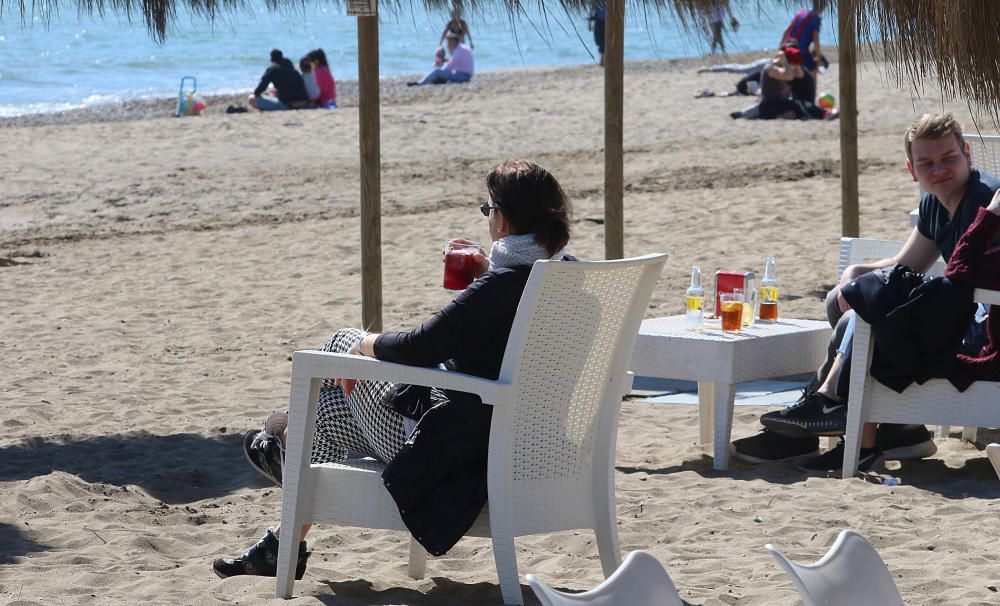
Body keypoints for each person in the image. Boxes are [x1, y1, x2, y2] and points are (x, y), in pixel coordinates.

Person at [212, 159, 575, 578]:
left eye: (488, 208)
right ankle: (281, 542)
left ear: (505, 218)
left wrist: (359, 343)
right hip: (527, 445)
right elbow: (507, 330)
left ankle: (286, 446)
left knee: (339, 343)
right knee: (329, 414)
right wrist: (486, 274)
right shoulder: (564, 279)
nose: (488, 217)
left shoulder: (500, 288)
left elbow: (421, 346)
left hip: (462, 454)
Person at [732, 113, 1000, 473]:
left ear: (967, 154)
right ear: (911, 169)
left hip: (981, 329)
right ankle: (892, 428)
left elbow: (967, 282)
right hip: (957, 316)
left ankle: (825, 412)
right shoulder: (935, 203)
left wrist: (871, 291)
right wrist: (855, 274)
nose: (939, 169)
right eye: (926, 162)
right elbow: (908, 263)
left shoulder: (984, 201)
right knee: (844, 300)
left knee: (868, 313)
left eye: (949, 158)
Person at [409, 32, 474, 86]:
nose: (448, 45)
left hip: (463, 76)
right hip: (464, 75)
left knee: (437, 71)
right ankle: (428, 80)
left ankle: (420, 83)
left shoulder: (459, 50)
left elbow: (450, 66)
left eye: (449, 42)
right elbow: (452, 63)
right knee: (439, 71)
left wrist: (440, 71)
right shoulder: (461, 48)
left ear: (453, 41)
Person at [587, 0, 606, 67]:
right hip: (598, 23)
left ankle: (602, 60)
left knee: (604, 42)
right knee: (598, 41)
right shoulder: (596, 1)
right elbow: (591, 11)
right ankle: (602, 60)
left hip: (606, 23)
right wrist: (589, 24)